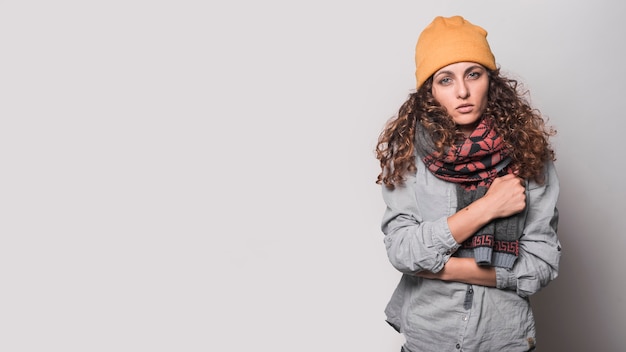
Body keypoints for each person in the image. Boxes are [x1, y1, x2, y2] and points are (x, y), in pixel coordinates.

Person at [374, 15, 561, 352]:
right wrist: (488, 207)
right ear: (429, 90)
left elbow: (540, 266)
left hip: (503, 338)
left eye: (472, 74)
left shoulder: (529, 155)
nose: (462, 91)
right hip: (428, 336)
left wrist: (438, 268)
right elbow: (401, 250)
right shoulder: (407, 154)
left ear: (491, 81)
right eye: (446, 79)